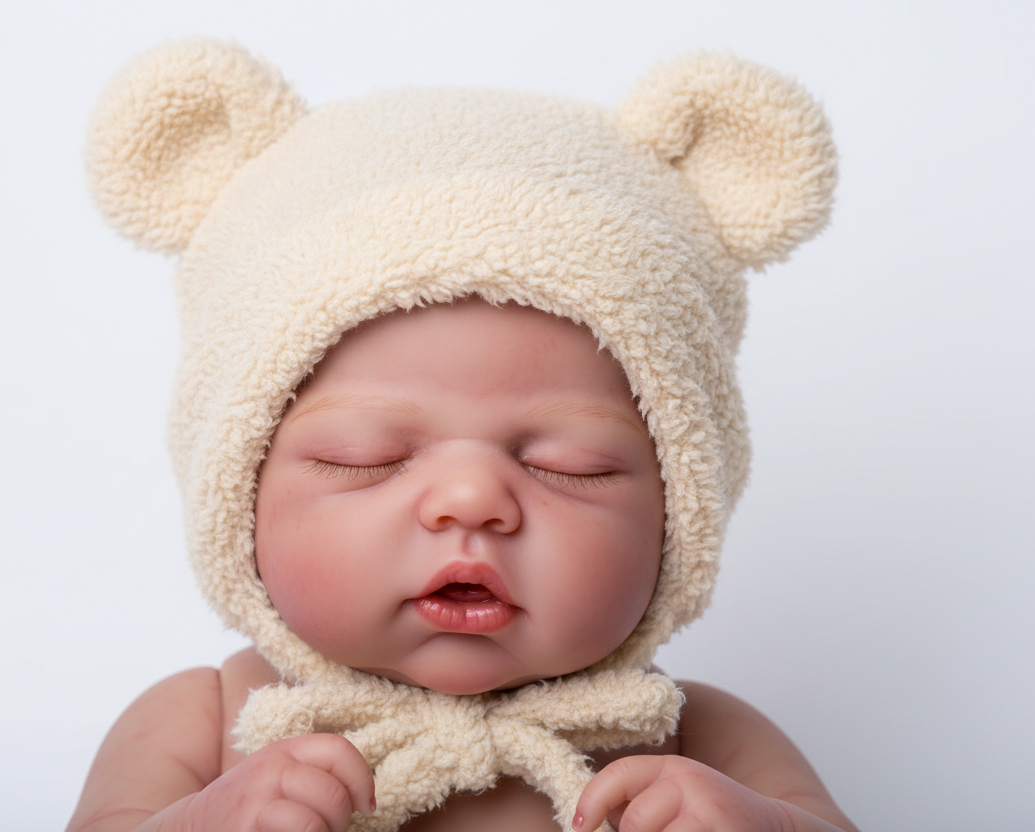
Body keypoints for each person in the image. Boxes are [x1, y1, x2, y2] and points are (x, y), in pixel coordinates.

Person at [70, 39, 858, 832]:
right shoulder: (204, 720)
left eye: (569, 467)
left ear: (679, 511)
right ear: (235, 496)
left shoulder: (692, 737)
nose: (471, 500)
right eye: (366, 456)